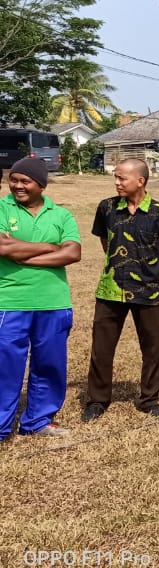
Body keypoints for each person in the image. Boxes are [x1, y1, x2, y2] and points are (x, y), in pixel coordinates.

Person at [83, 158, 159, 422]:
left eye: (122, 178)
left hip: (148, 291)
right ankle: (97, 400)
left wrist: (148, 269)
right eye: (115, 177)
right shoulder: (107, 208)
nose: (117, 182)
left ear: (141, 180)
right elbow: (105, 241)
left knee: (152, 348)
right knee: (101, 349)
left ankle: (149, 399)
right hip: (110, 289)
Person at [0, 157, 82, 439]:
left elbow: (73, 253)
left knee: (50, 365)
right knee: (5, 366)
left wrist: (21, 253)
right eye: (13, 179)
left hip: (53, 302)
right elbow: (2, 246)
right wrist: (50, 247)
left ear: (41, 185)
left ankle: (37, 420)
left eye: (25, 181)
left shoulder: (61, 215)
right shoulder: (1, 207)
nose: (17, 186)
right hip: (10, 301)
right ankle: (1, 426)